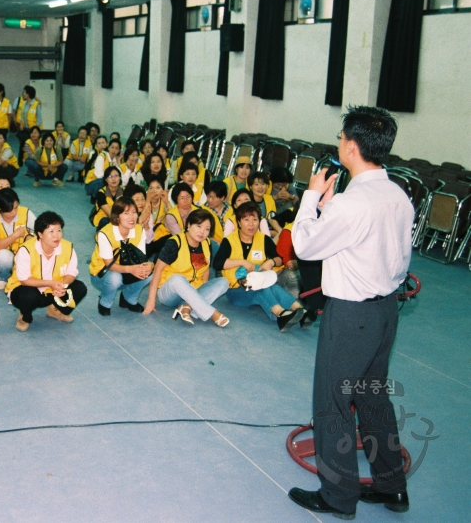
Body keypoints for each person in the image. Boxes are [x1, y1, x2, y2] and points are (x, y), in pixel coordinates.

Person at [288, 106, 412, 519]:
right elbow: (362, 241)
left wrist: (310, 199)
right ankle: (392, 486)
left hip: (351, 317)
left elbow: (305, 246)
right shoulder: (397, 194)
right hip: (384, 314)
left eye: (342, 138)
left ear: (352, 146)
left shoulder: (352, 203)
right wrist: (330, 207)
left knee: (333, 404)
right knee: (373, 398)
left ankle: (337, 499)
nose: (339, 143)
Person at [213, 202, 303, 331]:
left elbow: (279, 259)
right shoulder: (229, 240)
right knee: (261, 289)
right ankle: (281, 314)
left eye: (255, 219)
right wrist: (241, 262)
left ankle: (300, 311)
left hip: (258, 282)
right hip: (235, 290)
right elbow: (218, 263)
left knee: (270, 286)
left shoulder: (264, 239)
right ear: (238, 222)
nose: (251, 224)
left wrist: (271, 262)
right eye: (246, 220)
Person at [143, 209, 229, 327]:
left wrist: (202, 293)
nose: (202, 232)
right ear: (189, 225)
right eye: (199, 226)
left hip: (193, 289)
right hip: (169, 292)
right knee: (177, 279)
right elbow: (157, 270)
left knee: (223, 282)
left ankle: (187, 306)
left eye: (207, 229)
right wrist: (151, 299)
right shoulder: (174, 243)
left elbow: (206, 269)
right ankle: (212, 313)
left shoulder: (206, 243)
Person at [6, 211, 87, 331]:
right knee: (27, 296)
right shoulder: (26, 250)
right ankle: (25, 316)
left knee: (80, 288)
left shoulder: (68, 247)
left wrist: (62, 285)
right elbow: (24, 280)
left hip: (53, 291)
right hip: (29, 289)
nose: (57, 235)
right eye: (51, 231)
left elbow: (71, 272)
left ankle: (54, 310)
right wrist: (51, 284)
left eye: (59, 230)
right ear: (40, 234)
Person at [89, 196, 153, 316]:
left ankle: (129, 298)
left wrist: (149, 265)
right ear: (117, 216)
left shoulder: (139, 230)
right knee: (115, 278)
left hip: (127, 268)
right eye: (126, 213)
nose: (132, 217)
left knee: (148, 274)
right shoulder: (105, 233)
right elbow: (109, 264)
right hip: (102, 273)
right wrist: (131, 269)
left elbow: (140, 258)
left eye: (134, 212)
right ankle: (105, 302)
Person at [0, 187, 35, 290]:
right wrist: (15, 235)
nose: (13, 213)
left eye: (15, 207)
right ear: (0, 209)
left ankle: (19, 274)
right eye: (9, 211)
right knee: (1, 256)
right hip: (6, 255)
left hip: (23, 254)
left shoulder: (26, 212)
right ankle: (6, 273)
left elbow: (40, 232)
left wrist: (30, 237)